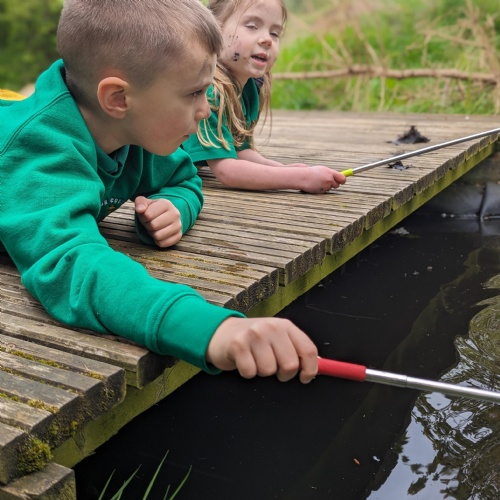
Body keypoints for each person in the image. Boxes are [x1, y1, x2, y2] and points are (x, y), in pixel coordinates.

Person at [0, 0, 318, 384]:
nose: (205, 110)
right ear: (118, 98)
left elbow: (185, 176)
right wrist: (210, 329)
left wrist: (173, 205)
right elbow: (72, 264)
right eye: (194, 93)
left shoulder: (135, 133)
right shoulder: (38, 153)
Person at [182, 0, 346, 194]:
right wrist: (299, 178)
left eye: (274, 33)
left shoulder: (249, 88)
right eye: (252, 26)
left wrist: (284, 169)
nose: (267, 39)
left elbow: (240, 151)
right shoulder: (208, 92)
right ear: (214, 31)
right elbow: (227, 170)